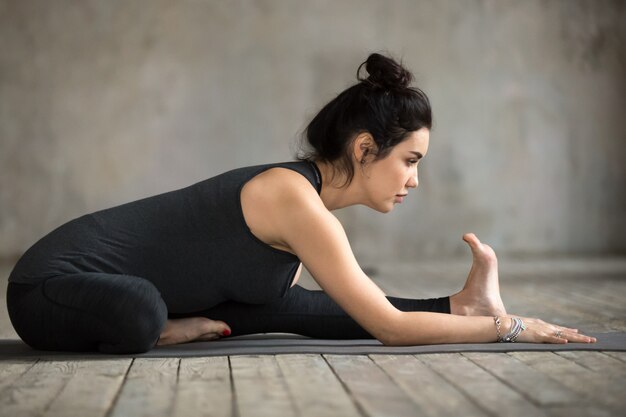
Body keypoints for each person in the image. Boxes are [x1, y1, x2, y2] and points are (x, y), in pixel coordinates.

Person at [6, 53, 596, 354]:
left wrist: (458, 308)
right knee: (141, 309)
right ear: (366, 148)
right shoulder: (291, 197)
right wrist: (510, 328)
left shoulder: (302, 204)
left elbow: (333, 310)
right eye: (409, 162)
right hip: (47, 288)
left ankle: (458, 305)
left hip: (102, 294)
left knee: (282, 313)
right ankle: (162, 326)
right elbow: (388, 329)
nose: (414, 182)